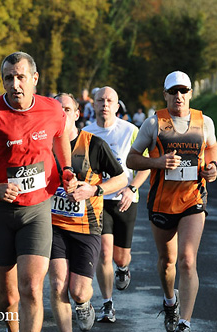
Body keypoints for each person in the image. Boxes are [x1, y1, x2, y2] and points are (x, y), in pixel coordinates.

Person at [0, 52, 77, 332]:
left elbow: (60, 138)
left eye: (21, 77)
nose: (15, 84)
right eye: (8, 78)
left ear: (34, 79)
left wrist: (67, 168)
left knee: (32, 288)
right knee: (8, 298)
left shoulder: (52, 110)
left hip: (37, 209)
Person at [126, 71, 217, 332]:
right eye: (173, 91)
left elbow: (212, 147)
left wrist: (213, 166)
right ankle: (170, 302)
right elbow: (131, 159)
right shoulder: (153, 123)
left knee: (187, 260)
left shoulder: (205, 122)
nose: (179, 96)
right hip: (162, 203)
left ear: (190, 93)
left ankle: (184, 323)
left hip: (193, 198)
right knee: (167, 261)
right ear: (165, 94)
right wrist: (157, 162)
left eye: (183, 91)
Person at [49, 93, 127, 332]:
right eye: (57, 110)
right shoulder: (43, 145)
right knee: (57, 284)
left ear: (77, 114)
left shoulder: (94, 144)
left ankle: (84, 305)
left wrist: (93, 189)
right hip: (53, 226)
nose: (62, 114)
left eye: (67, 109)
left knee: (79, 290)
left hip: (87, 227)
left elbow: (121, 178)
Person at [83, 87, 150, 323]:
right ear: (94, 104)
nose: (105, 104)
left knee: (121, 257)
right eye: (100, 100)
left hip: (124, 200)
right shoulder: (86, 133)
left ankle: (123, 269)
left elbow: (145, 165)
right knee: (104, 252)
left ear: (117, 105)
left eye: (110, 100)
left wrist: (132, 189)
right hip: (98, 201)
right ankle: (107, 304)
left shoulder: (131, 130)